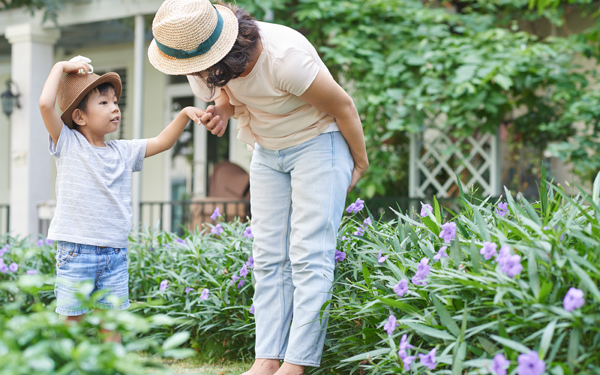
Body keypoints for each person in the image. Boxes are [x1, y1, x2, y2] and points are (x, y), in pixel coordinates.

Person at [148, 1, 368, 373]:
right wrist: (222, 109)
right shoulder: (198, 58)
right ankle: (266, 359)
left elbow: (343, 106)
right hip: (267, 150)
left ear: (219, 52)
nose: (194, 75)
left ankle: (296, 363)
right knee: (267, 256)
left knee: (309, 252)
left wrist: (359, 162)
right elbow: (230, 93)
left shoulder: (286, 59)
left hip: (319, 142)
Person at [39, 56, 205, 341]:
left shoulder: (123, 151)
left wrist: (184, 114)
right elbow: (45, 104)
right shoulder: (68, 142)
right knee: (71, 322)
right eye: (103, 103)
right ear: (79, 116)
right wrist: (61, 67)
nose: (114, 107)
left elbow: (162, 142)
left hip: (115, 253)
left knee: (112, 323)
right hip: (77, 250)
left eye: (115, 101)